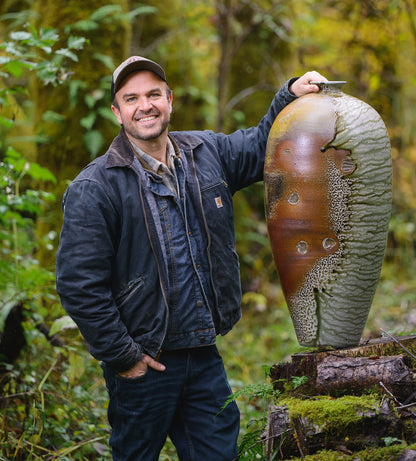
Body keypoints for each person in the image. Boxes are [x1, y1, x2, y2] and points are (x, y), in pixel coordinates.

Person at [55, 56, 327, 461]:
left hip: (202, 357)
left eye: (152, 94)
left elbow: (260, 146)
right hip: (145, 365)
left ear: (169, 99)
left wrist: (289, 95)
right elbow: (78, 285)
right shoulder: (95, 188)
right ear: (117, 112)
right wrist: (125, 357)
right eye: (131, 98)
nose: (144, 105)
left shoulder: (206, 153)